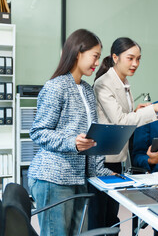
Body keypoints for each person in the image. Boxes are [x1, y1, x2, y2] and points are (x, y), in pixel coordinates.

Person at [27, 29, 113, 236]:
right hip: (53, 177)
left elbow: (91, 138)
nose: (97, 62)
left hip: (78, 178)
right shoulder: (55, 87)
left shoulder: (86, 89)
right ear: (78, 53)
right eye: (95, 56)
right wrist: (71, 143)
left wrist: (103, 174)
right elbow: (38, 132)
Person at [90, 37, 158, 229]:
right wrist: (154, 109)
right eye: (130, 58)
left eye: (138, 59)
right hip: (101, 158)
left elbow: (122, 116)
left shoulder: (124, 82)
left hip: (116, 156)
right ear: (115, 57)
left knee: (111, 217)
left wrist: (136, 111)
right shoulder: (103, 83)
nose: (135, 64)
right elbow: (120, 121)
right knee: (99, 218)